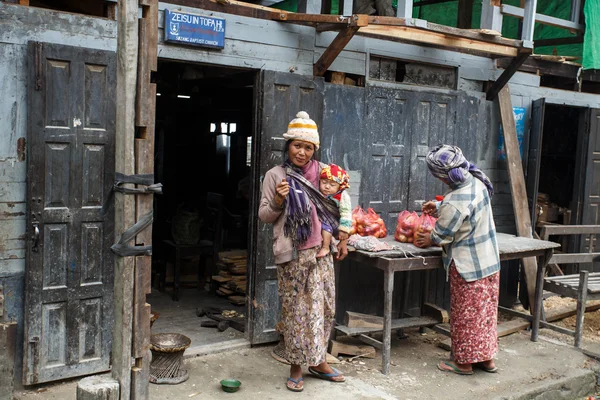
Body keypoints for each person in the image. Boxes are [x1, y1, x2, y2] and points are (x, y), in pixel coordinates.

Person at [258, 111, 349, 392]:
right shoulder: (276, 176)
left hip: (321, 252)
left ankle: (319, 361)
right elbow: (264, 215)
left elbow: (339, 204)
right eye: (297, 145)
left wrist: (342, 238)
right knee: (297, 311)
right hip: (294, 254)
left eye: (308, 147)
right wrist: (277, 200)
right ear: (288, 146)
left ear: (314, 149)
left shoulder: (324, 172)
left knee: (325, 308)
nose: (302, 151)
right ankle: (296, 365)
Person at [415, 144, 500, 376]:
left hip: (467, 266)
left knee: (466, 316)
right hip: (489, 261)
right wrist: (440, 205)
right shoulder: (477, 180)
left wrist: (428, 238)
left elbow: (442, 234)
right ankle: (487, 359)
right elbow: (468, 206)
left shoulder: (454, 200)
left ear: (441, 176)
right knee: (485, 314)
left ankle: (463, 363)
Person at [316, 163, 352, 258]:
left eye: (332, 184)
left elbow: (346, 213)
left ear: (340, 186)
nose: (327, 187)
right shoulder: (318, 193)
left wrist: (344, 230)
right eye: (324, 183)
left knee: (326, 227)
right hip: (325, 221)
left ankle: (325, 247)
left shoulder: (342, 196)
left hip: (338, 224)